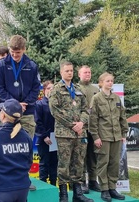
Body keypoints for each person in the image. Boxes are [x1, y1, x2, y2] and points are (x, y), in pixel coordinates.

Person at [0, 35, 40, 190]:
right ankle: (7, 178)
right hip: (7, 112)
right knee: (7, 145)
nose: (15, 56)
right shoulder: (1, 66)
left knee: (26, 146)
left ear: (24, 50)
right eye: (12, 52)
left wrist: (25, 103)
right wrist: (14, 104)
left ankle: (24, 178)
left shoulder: (32, 66)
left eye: (18, 53)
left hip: (27, 111)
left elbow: (36, 88)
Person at [49, 61, 93, 202]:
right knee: (64, 163)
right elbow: (55, 110)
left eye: (71, 71)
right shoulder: (56, 89)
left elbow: (86, 109)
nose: (70, 73)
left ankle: (78, 194)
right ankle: (63, 194)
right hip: (64, 133)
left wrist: (81, 123)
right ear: (61, 72)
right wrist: (71, 124)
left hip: (80, 133)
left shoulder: (78, 89)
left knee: (79, 163)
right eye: (67, 70)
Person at [0, 98, 33, 202]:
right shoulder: (26, 136)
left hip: (2, 187)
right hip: (22, 186)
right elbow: (29, 161)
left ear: (2, 115)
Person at [89, 72, 128, 202]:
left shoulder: (116, 98)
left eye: (111, 81)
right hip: (103, 136)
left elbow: (122, 117)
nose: (110, 83)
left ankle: (112, 188)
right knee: (103, 163)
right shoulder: (97, 98)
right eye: (107, 81)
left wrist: (123, 134)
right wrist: (96, 137)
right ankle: (104, 189)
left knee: (114, 163)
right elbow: (93, 120)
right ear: (101, 83)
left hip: (116, 136)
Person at [78, 65, 101, 194]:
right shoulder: (76, 88)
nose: (88, 74)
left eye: (89, 72)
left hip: (94, 128)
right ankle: (82, 182)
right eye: (85, 72)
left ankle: (93, 181)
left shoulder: (96, 89)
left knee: (93, 155)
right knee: (82, 155)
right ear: (79, 74)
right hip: (82, 128)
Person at [34, 80, 58, 186]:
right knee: (44, 163)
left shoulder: (58, 104)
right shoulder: (39, 104)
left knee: (54, 163)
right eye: (49, 88)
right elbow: (37, 122)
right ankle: (43, 186)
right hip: (44, 138)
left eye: (53, 88)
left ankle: (53, 186)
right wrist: (44, 136)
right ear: (44, 91)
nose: (51, 90)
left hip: (56, 137)